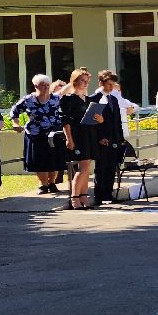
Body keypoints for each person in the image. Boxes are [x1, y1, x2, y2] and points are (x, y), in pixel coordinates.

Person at [10, 73, 68, 194]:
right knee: (39, 160)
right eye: (42, 85)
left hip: (54, 134)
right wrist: (15, 123)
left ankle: (52, 183)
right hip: (35, 134)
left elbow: (67, 104)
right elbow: (14, 111)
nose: (46, 87)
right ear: (35, 86)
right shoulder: (28, 100)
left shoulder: (56, 98)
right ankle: (43, 184)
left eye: (47, 85)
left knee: (53, 159)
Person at [59, 68, 99, 209]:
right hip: (77, 135)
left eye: (87, 81)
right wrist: (69, 138)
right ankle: (75, 197)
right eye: (82, 80)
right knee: (82, 167)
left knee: (87, 167)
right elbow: (65, 121)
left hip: (89, 134)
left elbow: (95, 118)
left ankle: (83, 197)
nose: (85, 83)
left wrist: (99, 119)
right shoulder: (68, 99)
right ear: (74, 82)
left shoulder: (88, 100)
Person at [90, 70, 127, 207]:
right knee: (101, 167)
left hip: (114, 138)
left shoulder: (114, 99)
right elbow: (92, 122)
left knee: (112, 167)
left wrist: (121, 138)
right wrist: (100, 137)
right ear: (101, 83)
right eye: (108, 84)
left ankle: (108, 194)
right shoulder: (94, 98)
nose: (111, 87)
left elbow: (117, 120)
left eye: (113, 84)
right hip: (102, 139)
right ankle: (98, 195)